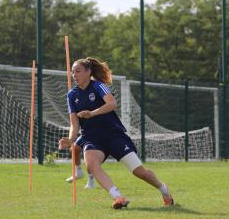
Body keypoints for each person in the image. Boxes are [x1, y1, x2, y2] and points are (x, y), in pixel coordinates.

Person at [58, 57, 174, 209]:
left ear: (88, 72)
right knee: (92, 164)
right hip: (92, 138)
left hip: (113, 134)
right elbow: (74, 123)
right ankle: (118, 197)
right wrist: (71, 139)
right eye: (72, 72)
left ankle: (164, 190)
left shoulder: (99, 86)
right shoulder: (71, 95)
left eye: (78, 71)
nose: (74, 75)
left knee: (139, 172)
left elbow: (112, 103)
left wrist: (92, 113)